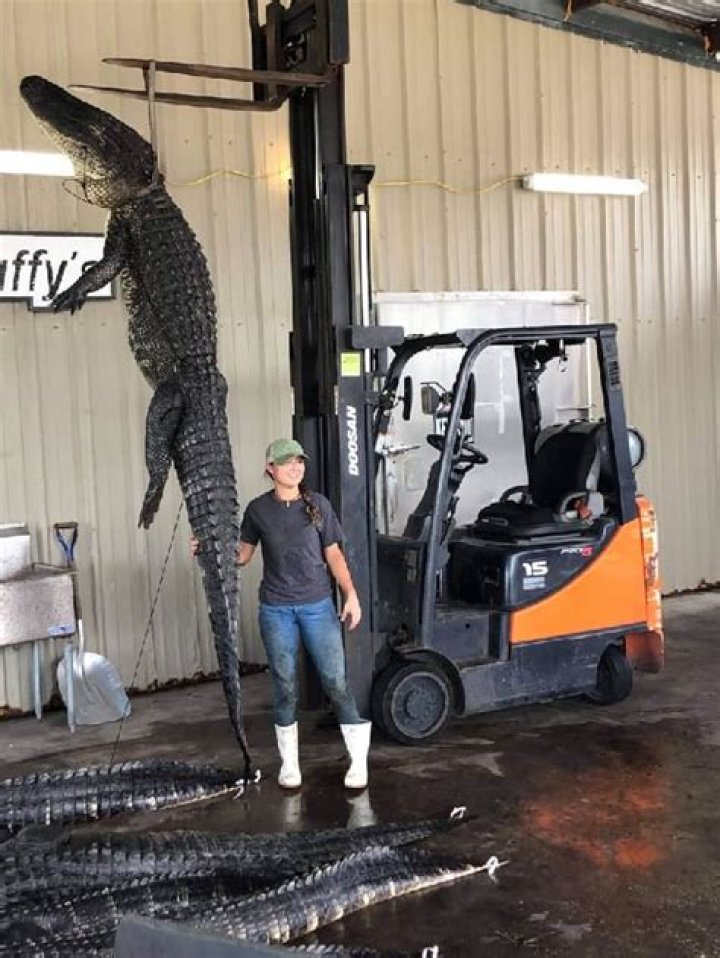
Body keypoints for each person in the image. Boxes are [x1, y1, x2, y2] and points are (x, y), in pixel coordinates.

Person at [203, 437, 371, 790]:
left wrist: (351, 595)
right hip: (276, 609)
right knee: (284, 685)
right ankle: (290, 766)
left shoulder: (318, 505)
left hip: (317, 607)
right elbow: (242, 556)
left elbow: (334, 554)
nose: (295, 467)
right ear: (270, 468)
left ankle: (358, 762)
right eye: (287, 462)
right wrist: (208, 546)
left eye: (299, 461)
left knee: (336, 682)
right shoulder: (258, 510)